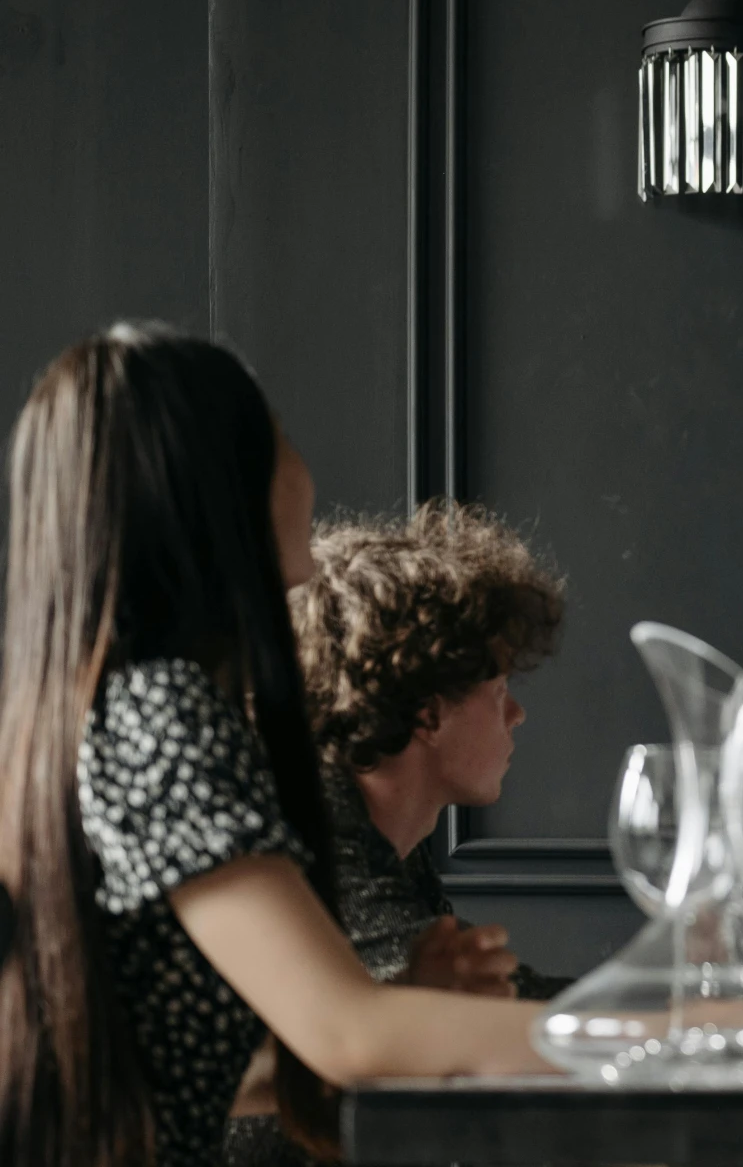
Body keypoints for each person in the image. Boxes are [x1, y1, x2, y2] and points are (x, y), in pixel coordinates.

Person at [0, 326, 548, 1167]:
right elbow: (346, 1037)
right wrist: (685, 1040)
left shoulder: (96, 706)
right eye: (280, 441)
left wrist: (408, 1004)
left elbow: (164, 1073)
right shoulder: (161, 714)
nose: (305, 470)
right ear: (216, 488)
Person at [225, 503, 569, 1164]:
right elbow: (485, 1022)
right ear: (430, 711)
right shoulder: (314, 828)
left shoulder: (374, 830)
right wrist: (701, 1014)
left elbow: (483, 995)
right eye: (500, 690)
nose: (519, 714)